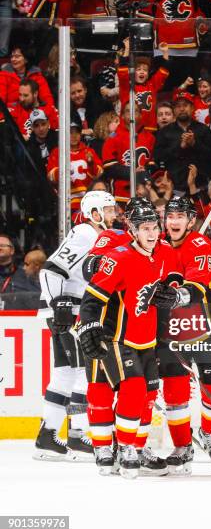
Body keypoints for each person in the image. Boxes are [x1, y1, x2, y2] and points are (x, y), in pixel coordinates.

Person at [78, 198, 177, 477]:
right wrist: (88, 327)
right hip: (114, 335)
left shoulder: (159, 254)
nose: (151, 233)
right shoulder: (117, 253)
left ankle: (133, 445)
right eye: (144, 228)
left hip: (144, 337)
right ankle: (118, 448)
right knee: (113, 389)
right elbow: (92, 292)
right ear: (132, 229)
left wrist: (171, 293)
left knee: (145, 393)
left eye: (154, 227)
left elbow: (164, 283)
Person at [33, 190, 117, 461]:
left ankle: (48, 436)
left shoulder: (94, 236)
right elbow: (50, 269)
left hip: (65, 310)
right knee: (84, 371)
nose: (113, 215)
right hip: (70, 310)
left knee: (65, 374)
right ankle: (78, 436)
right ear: (94, 213)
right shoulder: (85, 234)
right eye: (108, 210)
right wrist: (59, 305)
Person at [150, 196, 211, 472]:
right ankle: (182, 446)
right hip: (172, 329)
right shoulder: (155, 244)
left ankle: (210, 432)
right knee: (174, 390)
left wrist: (178, 295)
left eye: (179, 217)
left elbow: (198, 281)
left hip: (206, 324)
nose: (173, 222)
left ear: (190, 220)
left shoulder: (200, 243)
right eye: (170, 216)